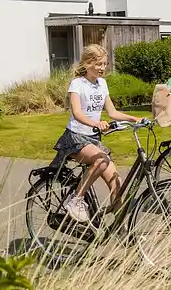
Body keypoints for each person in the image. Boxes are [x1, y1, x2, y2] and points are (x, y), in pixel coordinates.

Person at [51, 43, 143, 222]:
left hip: (93, 138)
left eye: (105, 64)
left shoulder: (102, 84)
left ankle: (120, 228)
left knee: (117, 183)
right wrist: (96, 123)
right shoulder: (77, 84)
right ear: (87, 63)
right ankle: (76, 199)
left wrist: (134, 119)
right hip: (75, 137)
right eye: (98, 64)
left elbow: (112, 112)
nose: (102, 68)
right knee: (101, 160)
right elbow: (77, 113)